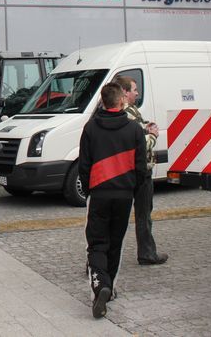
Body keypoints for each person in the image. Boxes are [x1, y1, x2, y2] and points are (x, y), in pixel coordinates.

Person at [78, 82, 146, 319]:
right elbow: (141, 169)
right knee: (116, 242)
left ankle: (100, 287)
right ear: (121, 101)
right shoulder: (135, 130)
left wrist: (88, 190)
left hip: (99, 194)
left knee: (97, 243)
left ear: (103, 101)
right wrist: (132, 190)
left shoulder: (90, 129)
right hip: (124, 195)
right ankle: (109, 286)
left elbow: (84, 165)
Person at [115, 75, 168, 266]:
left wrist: (145, 127)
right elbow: (139, 144)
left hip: (127, 170)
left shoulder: (126, 111)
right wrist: (152, 135)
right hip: (140, 170)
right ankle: (147, 253)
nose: (137, 93)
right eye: (134, 89)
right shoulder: (127, 113)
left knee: (124, 215)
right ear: (125, 92)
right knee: (144, 214)